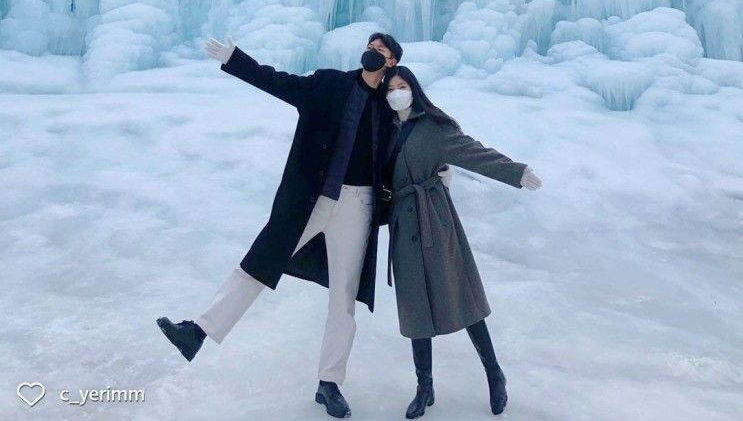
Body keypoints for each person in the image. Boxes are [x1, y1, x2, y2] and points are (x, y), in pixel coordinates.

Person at [157, 32, 402, 419]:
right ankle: (197, 331)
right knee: (258, 262)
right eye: (369, 48)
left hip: (359, 206)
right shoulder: (329, 84)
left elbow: (419, 140)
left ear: (391, 63)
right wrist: (235, 60)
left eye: (380, 52)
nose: (370, 54)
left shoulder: (391, 109)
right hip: (312, 199)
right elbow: (279, 82)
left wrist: (439, 169)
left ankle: (329, 383)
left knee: (344, 296)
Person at [381, 65, 542, 418]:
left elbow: (474, 153)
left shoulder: (434, 128)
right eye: (390, 88)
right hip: (402, 226)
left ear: (413, 89)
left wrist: (516, 171)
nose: (396, 93)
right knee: (414, 307)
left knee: (460, 294)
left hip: (435, 221)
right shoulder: (385, 131)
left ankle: (494, 374)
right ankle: (425, 387)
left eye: (402, 86)